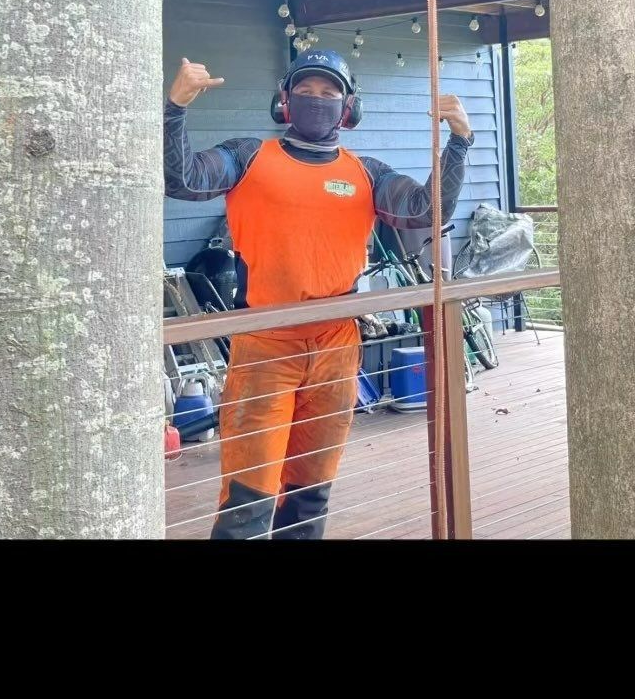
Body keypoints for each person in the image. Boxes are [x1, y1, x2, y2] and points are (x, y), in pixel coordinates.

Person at [164, 48, 474, 540]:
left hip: (337, 346)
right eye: (305, 91)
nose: (316, 100)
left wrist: (458, 143)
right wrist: (176, 107)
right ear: (283, 101)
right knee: (250, 495)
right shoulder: (247, 156)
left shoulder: (366, 171)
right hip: (264, 342)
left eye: (329, 93)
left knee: (311, 489)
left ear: (348, 107)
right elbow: (182, 180)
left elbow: (423, 210)